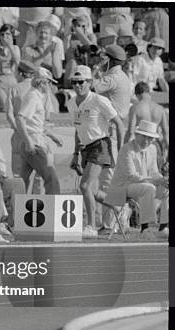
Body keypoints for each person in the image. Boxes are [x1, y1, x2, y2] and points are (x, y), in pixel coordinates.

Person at [66, 65, 125, 238]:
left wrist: (120, 151)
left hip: (100, 145)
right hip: (85, 148)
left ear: (90, 82)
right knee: (90, 190)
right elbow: (78, 130)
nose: (77, 86)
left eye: (81, 82)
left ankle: (91, 226)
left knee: (84, 186)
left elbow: (119, 125)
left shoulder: (99, 100)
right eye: (74, 82)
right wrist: (75, 154)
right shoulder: (71, 102)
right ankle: (117, 206)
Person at [92, 44, 133, 234]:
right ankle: (113, 221)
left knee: (107, 179)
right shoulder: (124, 76)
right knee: (109, 178)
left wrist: (97, 68)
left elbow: (90, 88)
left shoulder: (111, 77)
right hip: (115, 130)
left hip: (110, 131)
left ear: (109, 59)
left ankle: (110, 224)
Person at [105, 120, 168, 239]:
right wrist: (156, 181)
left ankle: (163, 227)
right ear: (137, 135)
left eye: (150, 138)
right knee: (148, 188)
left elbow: (154, 172)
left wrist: (163, 180)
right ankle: (146, 228)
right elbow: (132, 176)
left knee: (167, 187)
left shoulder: (153, 149)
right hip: (122, 187)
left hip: (144, 185)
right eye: (144, 137)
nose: (147, 141)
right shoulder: (126, 149)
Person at [14, 67, 62, 195]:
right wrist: (29, 141)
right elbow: (20, 119)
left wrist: (51, 135)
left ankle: (13, 209)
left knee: (22, 181)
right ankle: (54, 212)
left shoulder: (35, 96)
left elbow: (33, 123)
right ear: (42, 83)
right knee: (52, 179)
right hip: (34, 144)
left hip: (31, 141)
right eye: (49, 82)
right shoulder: (33, 97)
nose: (50, 86)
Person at [125, 81, 169, 173]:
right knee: (156, 176)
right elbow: (166, 134)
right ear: (149, 92)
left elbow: (130, 131)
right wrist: (166, 154)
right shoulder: (160, 109)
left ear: (136, 94)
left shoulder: (135, 107)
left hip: (140, 145)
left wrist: (124, 148)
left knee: (140, 178)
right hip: (155, 145)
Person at [5, 60, 37, 186]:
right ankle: (40, 203)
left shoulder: (14, 89)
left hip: (19, 135)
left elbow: (9, 114)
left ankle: (18, 204)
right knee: (38, 175)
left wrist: (19, 130)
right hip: (36, 134)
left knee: (19, 176)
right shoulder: (39, 89)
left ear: (20, 73)